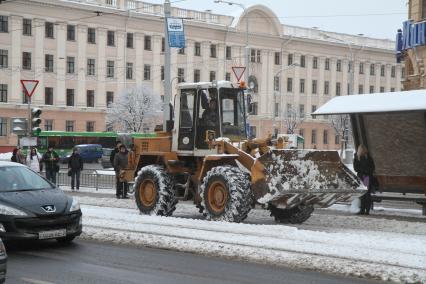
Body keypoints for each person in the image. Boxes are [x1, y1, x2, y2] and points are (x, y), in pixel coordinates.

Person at [353, 144, 375, 215]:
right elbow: (372, 168)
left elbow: (356, 168)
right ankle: (367, 210)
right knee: (366, 194)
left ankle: (362, 210)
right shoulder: (368, 157)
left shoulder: (357, 158)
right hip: (366, 177)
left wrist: (362, 171)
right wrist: (366, 171)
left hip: (361, 177)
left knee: (362, 194)